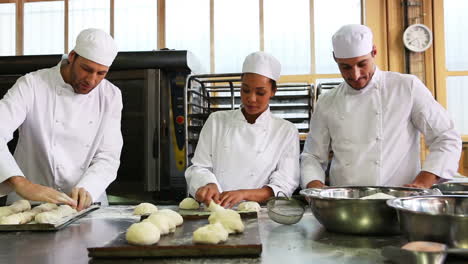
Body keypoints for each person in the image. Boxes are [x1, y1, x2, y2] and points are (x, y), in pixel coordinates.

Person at [301, 24, 461, 189]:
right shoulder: (327, 102)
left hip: (399, 200)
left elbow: (446, 137)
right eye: (345, 67)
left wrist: (423, 181)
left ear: (374, 52)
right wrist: (314, 185)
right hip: (347, 203)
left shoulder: (406, 87)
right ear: (335, 59)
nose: (355, 75)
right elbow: (312, 155)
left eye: (362, 64)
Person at [0, 28, 123, 210]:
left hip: (84, 206)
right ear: (72, 56)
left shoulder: (110, 95)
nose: (91, 80)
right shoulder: (32, 85)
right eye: (86, 69)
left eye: (101, 73)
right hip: (29, 204)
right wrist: (21, 183)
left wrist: (88, 188)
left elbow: (108, 156)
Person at [185, 51, 300, 208]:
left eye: (260, 92)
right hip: (215, 210)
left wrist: (243, 194)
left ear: (273, 91)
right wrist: (207, 184)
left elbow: (284, 184)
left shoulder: (285, 130)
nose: (251, 98)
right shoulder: (217, 121)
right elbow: (199, 167)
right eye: (245, 90)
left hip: (260, 214)